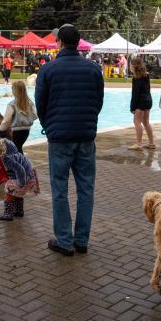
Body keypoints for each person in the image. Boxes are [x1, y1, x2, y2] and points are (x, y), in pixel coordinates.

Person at [35, 24, 104, 257]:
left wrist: (49, 127)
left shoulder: (48, 70)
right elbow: (97, 103)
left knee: (59, 189)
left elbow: (41, 106)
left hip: (60, 138)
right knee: (86, 189)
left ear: (61, 43)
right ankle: (82, 240)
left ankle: (65, 241)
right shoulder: (94, 69)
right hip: (85, 135)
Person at [0, 137, 39, 221]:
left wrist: (21, 183)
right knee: (17, 192)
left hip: (24, 175)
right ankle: (19, 211)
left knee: (9, 190)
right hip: (29, 172)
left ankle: (8, 214)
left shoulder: (6, 158)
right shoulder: (15, 154)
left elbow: (20, 169)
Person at [0, 80, 37, 153]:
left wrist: (1, 128)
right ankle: (23, 163)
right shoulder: (30, 103)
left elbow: (6, 121)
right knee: (19, 148)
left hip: (15, 132)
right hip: (26, 130)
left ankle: (22, 163)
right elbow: (35, 115)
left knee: (14, 151)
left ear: (15, 90)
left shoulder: (12, 104)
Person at [129, 56, 155, 150]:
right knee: (146, 122)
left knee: (136, 121)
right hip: (148, 99)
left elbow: (135, 94)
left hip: (140, 101)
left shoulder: (136, 78)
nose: (130, 66)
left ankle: (138, 144)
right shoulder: (146, 75)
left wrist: (132, 107)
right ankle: (151, 143)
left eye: (131, 64)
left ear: (134, 66)